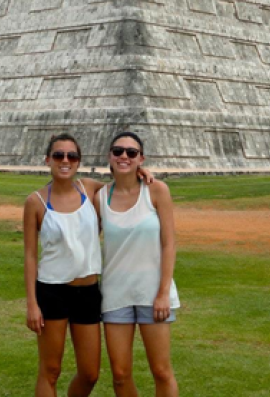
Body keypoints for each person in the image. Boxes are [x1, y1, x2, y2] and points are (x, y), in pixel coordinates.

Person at [23, 133, 153, 397]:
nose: (65, 161)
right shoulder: (35, 202)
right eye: (58, 155)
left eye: (71, 156)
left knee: (90, 373)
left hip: (88, 292)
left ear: (79, 161)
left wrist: (140, 169)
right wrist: (32, 304)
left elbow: (122, 179)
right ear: (48, 159)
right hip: (52, 291)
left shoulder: (89, 189)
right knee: (50, 370)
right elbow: (29, 255)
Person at [95, 132, 180, 397]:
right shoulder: (100, 196)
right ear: (109, 156)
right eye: (118, 151)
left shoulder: (156, 190)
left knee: (161, 371)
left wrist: (163, 293)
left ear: (141, 158)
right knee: (120, 375)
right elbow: (68, 180)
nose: (124, 156)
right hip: (115, 293)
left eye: (132, 153)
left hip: (152, 293)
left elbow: (169, 243)